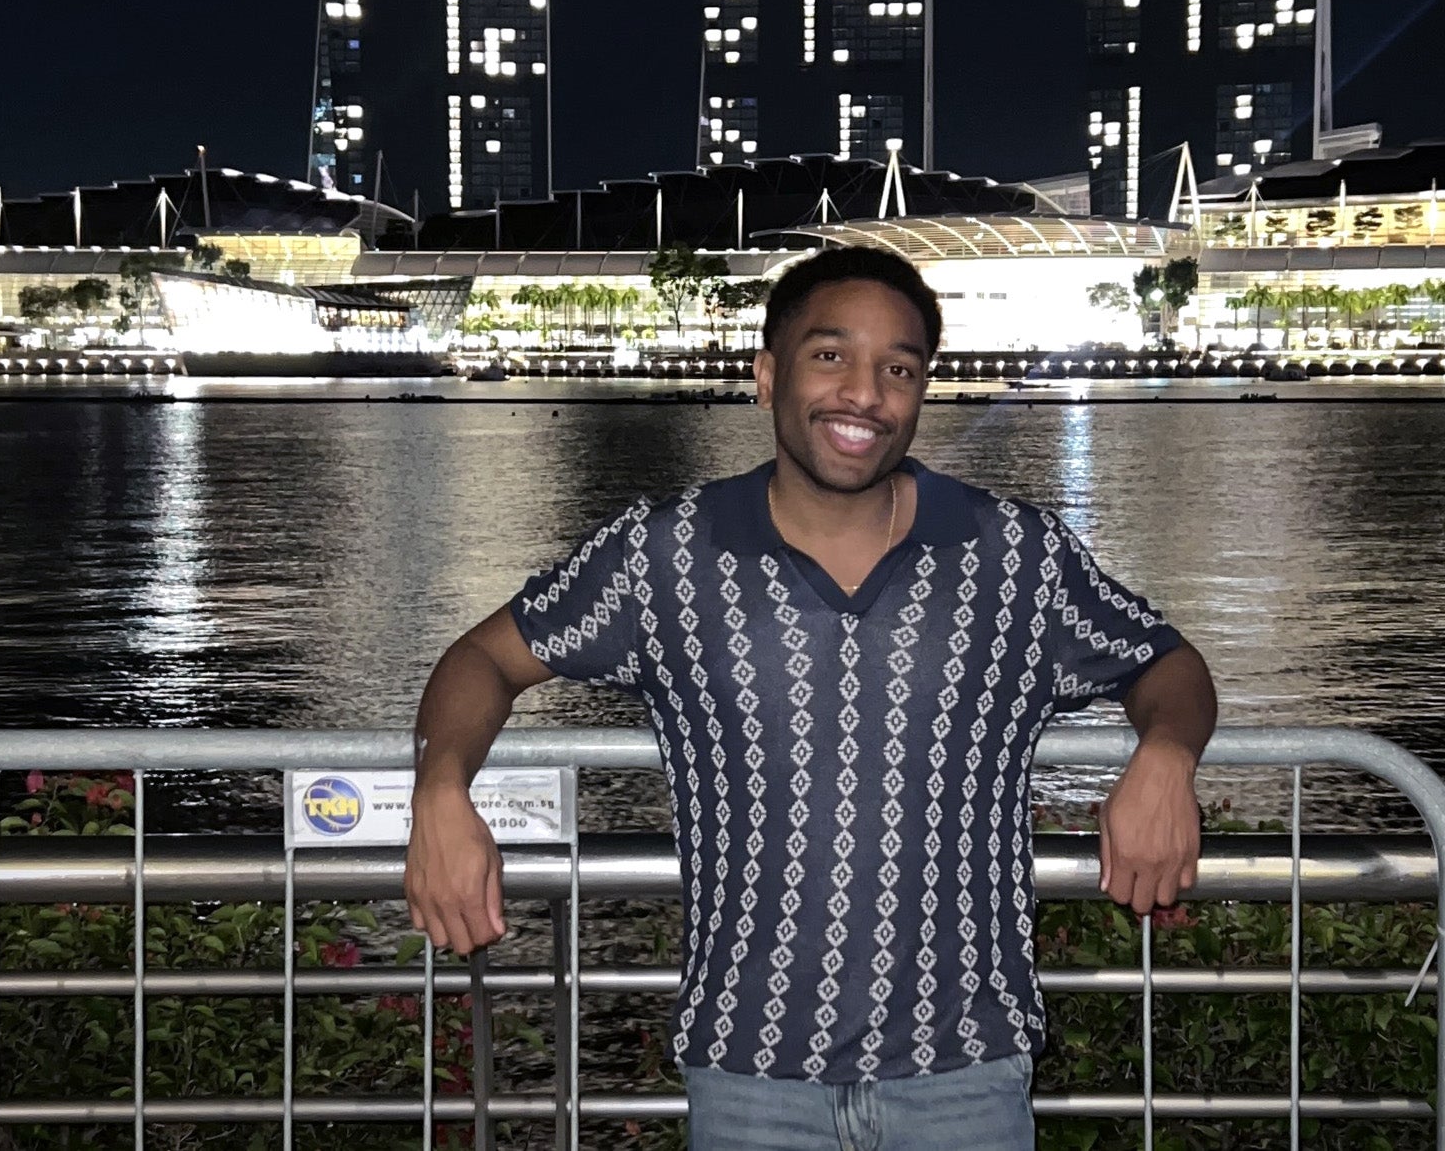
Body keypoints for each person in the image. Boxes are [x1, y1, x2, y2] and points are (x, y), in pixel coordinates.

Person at [406, 243, 1217, 1150]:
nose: (864, 392)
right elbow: (482, 659)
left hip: (968, 1078)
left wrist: (1166, 755)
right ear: (766, 375)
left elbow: (1168, 665)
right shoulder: (664, 556)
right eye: (831, 355)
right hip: (749, 1079)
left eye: (898, 368)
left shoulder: (1013, 556)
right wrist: (440, 789)